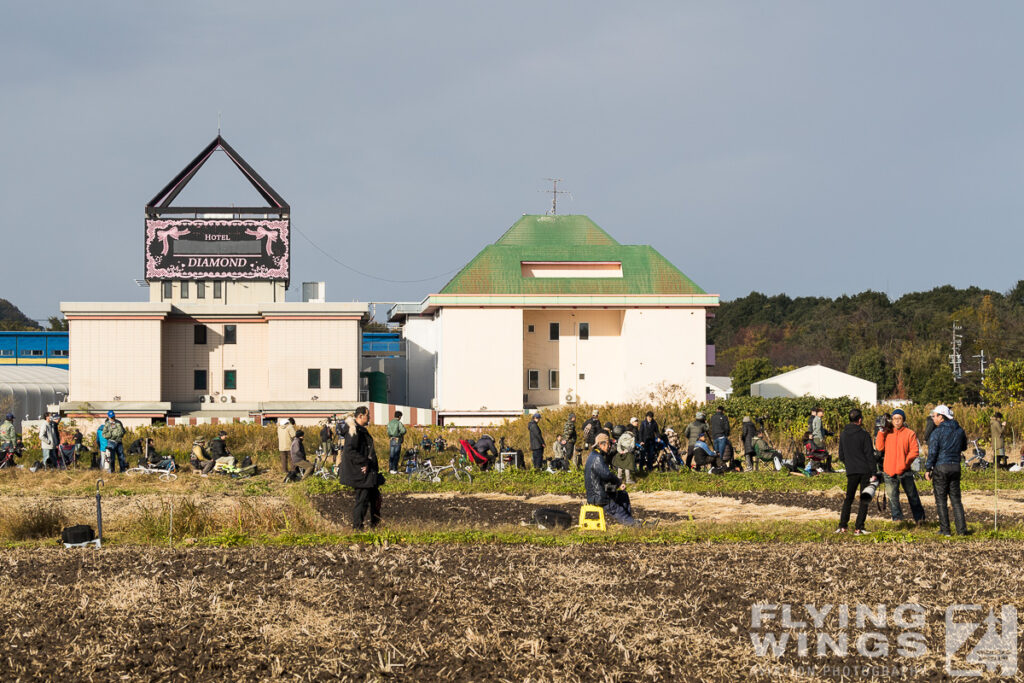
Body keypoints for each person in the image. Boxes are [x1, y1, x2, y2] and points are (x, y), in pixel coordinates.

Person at [874, 408, 925, 524]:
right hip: (889, 471)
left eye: (899, 418)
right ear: (891, 420)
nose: (897, 421)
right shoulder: (887, 432)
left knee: (912, 496)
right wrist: (881, 432)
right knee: (893, 498)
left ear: (903, 420)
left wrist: (905, 463)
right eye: (894, 419)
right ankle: (897, 520)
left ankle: (920, 519)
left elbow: (914, 452)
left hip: (905, 470)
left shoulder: (910, 433)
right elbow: (879, 448)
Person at [927, 404, 969, 536]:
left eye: (935, 416)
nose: (933, 418)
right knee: (956, 500)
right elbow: (964, 447)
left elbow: (932, 452)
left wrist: (928, 468)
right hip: (955, 467)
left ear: (941, 417)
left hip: (941, 467)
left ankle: (945, 530)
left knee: (941, 500)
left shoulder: (937, 432)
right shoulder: (959, 430)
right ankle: (961, 530)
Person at [836, 408, 877, 535]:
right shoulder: (864, 434)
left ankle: (843, 526)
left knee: (849, 498)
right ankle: (859, 528)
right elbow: (870, 455)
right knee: (864, 499)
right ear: (860, 420)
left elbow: (841, 455)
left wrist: (849, 464)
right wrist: (874, 472)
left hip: (851, 470)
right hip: (864, 470)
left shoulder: (843, 434)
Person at [340, 406, 382, 530]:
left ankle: (374, 525)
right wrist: (364, 463)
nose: (369, 418)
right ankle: (357, 528)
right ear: (360, 416)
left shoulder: (359, 430)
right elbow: (349, 451)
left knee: (373, 498)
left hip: (367, 471)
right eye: (367, 415)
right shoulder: (354, 431)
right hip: (361, 473)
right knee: (362, 500)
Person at [584, 433, 638, 526]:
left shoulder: (595, 455)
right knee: (618, 510)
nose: (609, 446)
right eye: (608, 444)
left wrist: (615, 486)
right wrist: (618, 483)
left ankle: (629, 521)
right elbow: (607, 475)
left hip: (601, 489)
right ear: (601, 444)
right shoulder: (597, 458)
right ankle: (635, 525)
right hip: (598, 495)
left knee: (623, 494)